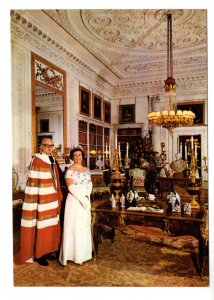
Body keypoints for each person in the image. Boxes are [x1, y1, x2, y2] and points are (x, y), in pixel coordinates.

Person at [14, 137, 63, 266]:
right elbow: (34, 182)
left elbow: (57, 179)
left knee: (51, 227)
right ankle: (39, 254)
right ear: (41, 147)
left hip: (52, 200)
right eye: (46, 145)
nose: (49, 148)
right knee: (42, 226)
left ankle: (49, 251)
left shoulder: (52, 159)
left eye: (51, 146)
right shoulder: (37, 160)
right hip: (42, 200)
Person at [59, 146, 93, 266]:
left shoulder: (86, 169)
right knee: (75, 227)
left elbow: (89, 184)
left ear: (82, 156)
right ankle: (73, 255)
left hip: (85, 199)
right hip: (75, 201)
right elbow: (71, 188)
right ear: (72, 157)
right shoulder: (69, 171)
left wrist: (87, 197)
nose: (78, 157)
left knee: (84, 226)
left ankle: (84, 254)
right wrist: (82, 200)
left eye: (79, 155)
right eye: (75, 155)